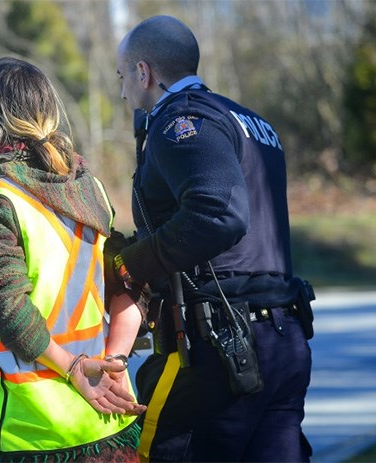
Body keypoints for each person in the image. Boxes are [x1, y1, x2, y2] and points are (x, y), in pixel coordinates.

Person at [109, 15, 315, 462]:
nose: (122, 90)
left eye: (123, 76)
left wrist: (131, 264)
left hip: (218, 348)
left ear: (144, 72)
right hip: (284, 341)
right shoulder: (250, 121)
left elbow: (218, 212)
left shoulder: (181, 122)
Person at [0, 56, 147, 463]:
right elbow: (128, 283)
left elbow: (9, 311)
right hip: (103, 423)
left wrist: (76, 368)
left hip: (21, 435)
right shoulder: (88, 190)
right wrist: (113, 362)